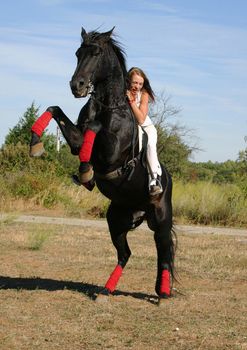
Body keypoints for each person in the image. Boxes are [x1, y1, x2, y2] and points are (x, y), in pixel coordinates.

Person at [126, 67, 163, 196]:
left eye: (140, 84)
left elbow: (141, 119)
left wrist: (131, 101)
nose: (137, 86)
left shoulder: (144, 94)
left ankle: (154, 181)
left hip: (146, 128)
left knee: (150, 146)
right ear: (128, 81)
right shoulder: (122, 92)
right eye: (134, 82)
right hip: (130, 126)